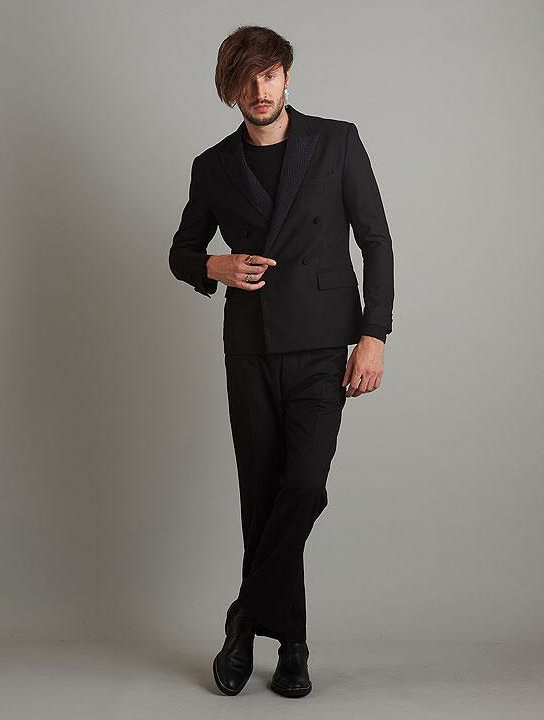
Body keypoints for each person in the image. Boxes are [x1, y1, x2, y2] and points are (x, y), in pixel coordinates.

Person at [168, 25, 394, 697]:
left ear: (287, 76)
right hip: (251, 347)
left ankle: (244, 617)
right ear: (230, 89)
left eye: (269, 74)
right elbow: (181, 252)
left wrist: (374, 334)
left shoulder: (336, 141)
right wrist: (214, 265)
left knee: (303, 486)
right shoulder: (213, 166)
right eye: (246, 79)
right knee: (261, 497)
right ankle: (290, 644)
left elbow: (376, 240)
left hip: (323, 345)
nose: (259, 89)